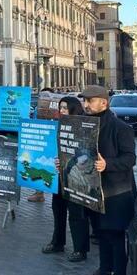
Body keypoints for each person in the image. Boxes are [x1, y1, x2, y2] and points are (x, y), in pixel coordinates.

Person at [75, 85, 136, 275]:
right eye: (84, 101)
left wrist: (107, 164)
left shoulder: (121, 127)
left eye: (90, 101)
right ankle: (103, 272)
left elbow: (130, 159)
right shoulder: (84, 125)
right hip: (92, 190)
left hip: (116, 192)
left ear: (104, 102)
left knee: (115, 237)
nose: (86, 105)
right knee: (101, 233)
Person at [41, 96, 89, 262]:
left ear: (74, 109)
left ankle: (80, 249)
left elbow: (86, 152)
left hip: (76, 177)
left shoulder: (83, 126)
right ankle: (57, 242)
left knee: (76, 213)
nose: (61, 111)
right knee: (58, 209)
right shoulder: (58, 125)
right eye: (60, 108)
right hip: (60, 176)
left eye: (65, 108)